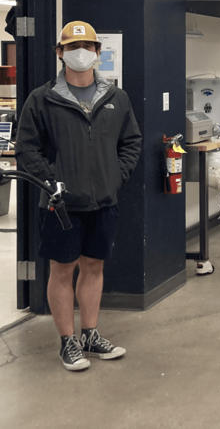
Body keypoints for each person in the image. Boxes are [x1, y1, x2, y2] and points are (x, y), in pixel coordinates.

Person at [16, 21, 142, 371]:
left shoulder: (116, 97)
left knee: (94, 266)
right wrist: (49, 180)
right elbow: (26, 148)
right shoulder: (42, 99)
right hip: (60, 204)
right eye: (72, 47)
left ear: (98, 53)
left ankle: (90, 333)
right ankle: (67, 341)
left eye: (87, 47)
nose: (80, 53)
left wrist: (117, 175)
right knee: (62, 269)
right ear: (60, 53)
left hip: (103, 200)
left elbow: (131, 142)